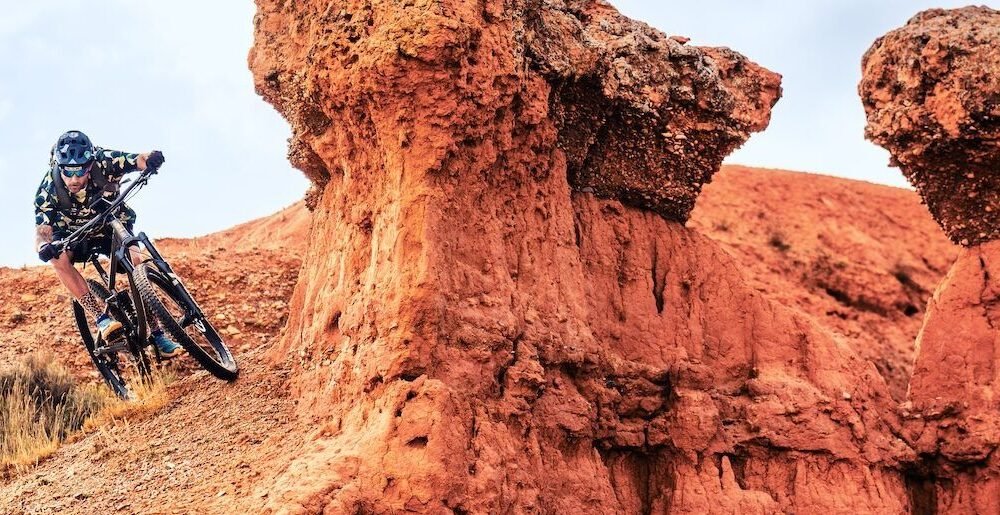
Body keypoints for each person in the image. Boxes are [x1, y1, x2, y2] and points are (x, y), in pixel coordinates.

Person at [34, 130, 183, 358]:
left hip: (111, 224)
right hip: (76, 235)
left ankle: (157, 332)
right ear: (58, 166)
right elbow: (42, 232)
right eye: (68, 172)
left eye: (81, 171)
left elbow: (137, 160)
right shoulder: (47, 189)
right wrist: (44, 246)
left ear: (90, 163)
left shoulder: (104, 160)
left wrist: (151, 158)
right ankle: (101, 319)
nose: (74, 179)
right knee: (57, 258)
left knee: (136, 260)